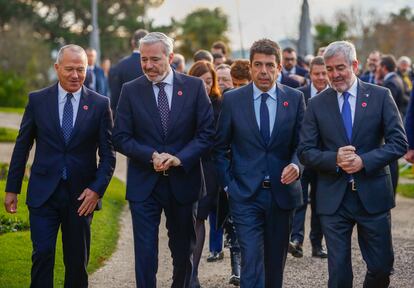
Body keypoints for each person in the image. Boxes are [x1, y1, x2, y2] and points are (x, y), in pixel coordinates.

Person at [4, 44, 116, 288]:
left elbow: (108, 155)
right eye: (69, 69)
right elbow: (23, 146)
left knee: (77, 262)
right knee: (42, 254)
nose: (75, 75)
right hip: (43, 193)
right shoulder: (37, 100)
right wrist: (12, 188)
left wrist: (96, 190)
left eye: (81, 69)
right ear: (57, 68)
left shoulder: (99, 104)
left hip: (81, 197)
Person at [298, 40, 407, 288]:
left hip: (373, 195)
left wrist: (364, 161)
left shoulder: (380, 96)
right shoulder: (316, 104)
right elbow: (305, 151)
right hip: (333, 199)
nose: (334, 75)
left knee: (381, 267)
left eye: (340, 68)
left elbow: (399, 143)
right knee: (339, 275)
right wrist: (334, 159)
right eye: (329, 69)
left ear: (355, 65)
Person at [112, 32, 215, 288]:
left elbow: (206, 134)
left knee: (183, 252)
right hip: (144, 184)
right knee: (145, 254)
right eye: (144, 60)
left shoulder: (193, 88)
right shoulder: (131, 90)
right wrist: (151, 156)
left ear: (170, 57)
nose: (148, 66)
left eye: (155, 59)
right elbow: (121, 137)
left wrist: (179, 158)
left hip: (184, 181)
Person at [214, 38, 304, 287]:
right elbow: (220, 147)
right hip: (245, 194)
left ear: (279, 68)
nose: (264, 71)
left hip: (281, 194)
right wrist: (229, 185)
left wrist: (296, 165)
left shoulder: (295, 99)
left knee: (275, 266)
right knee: (251, 261)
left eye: (269, 65)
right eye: (258, 65)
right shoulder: (232, 100)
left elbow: (302, 145)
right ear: (250, 67)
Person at [187, 60, 224, 287]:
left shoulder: (220, 104)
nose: (206, 86)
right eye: (201, 82)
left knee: (204, 218)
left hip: (211, 168)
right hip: (190, 165)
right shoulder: (186, 102)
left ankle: (194, 273)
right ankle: (188, 271)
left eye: (209, 82)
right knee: (191, 220)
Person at [289, 56, 329, 259]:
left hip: (325, 159)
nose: (321, 77)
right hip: (303, 157)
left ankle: (317, 243)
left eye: (324, 73)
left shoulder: (334, 95)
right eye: (317, 74)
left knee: (320, 201)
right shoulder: (300, 95)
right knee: (300, 199)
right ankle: (296, 240)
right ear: (310, 75)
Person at [109, 29, 148, 114]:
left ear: (133, 43)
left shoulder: (121, 65)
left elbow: (115, 93)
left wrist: (114, 110)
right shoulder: (155, 65)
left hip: (126, 113)